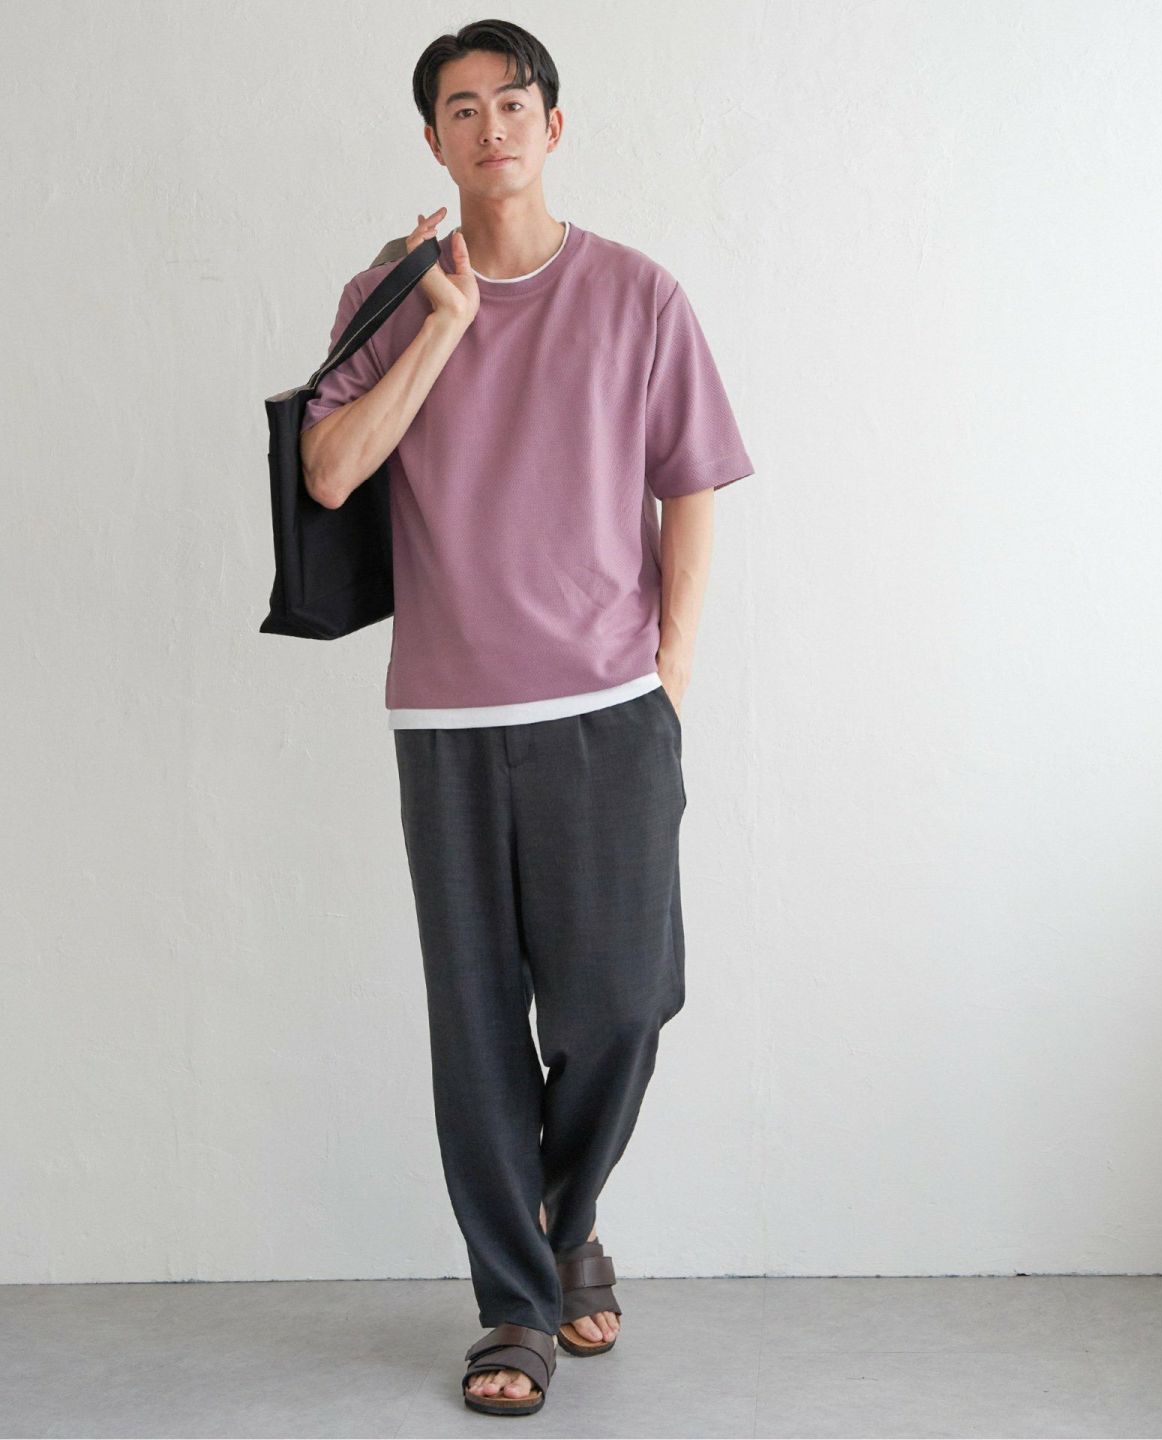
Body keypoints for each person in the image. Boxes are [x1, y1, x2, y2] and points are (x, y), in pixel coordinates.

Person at [298, 17, 754, 1419]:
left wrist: (672, 673)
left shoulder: (638, 294)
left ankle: (562, 1223)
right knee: (479, 1022)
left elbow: (691, 484)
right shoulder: (389, 294)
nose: (489, 127)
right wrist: (439, 321)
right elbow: (330, 471)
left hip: (610, 704)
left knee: (624, 1002)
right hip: (448, 718)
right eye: (460, 108)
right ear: (433, 139)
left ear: (552, 127)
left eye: (512, 103)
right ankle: (515, 1304)